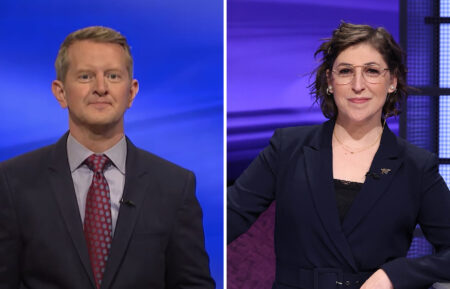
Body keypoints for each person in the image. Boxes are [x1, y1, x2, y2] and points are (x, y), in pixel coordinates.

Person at [227, 22, 450, 289]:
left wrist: (396, 275)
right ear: (330, 82)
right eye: (345, 71)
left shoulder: (416, 166)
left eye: (371, 71)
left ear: (392, 81)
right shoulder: (287, 148)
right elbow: (227, 218)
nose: (358, 85)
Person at [0, 26, 215, 289]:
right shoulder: (12, 181)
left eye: (113, 76)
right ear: (61, 92)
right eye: (85, 76)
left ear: (131, 92)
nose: (101, 88)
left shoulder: (175, 185)